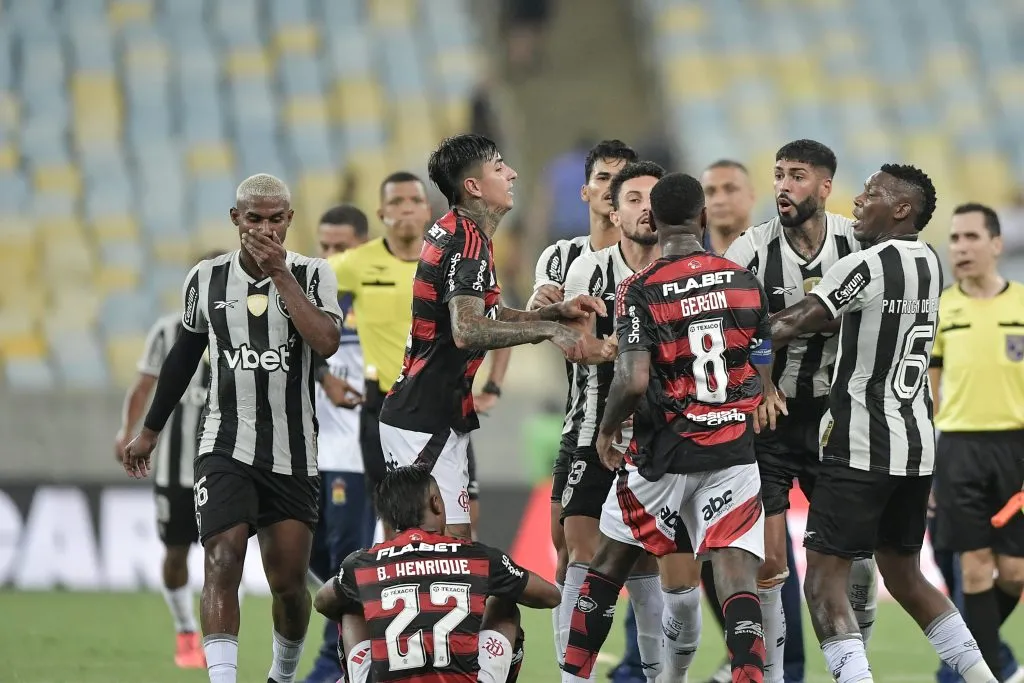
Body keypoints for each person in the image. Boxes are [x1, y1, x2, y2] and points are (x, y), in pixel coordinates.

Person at [768, 163, 999, 683]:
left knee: (824, 583)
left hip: (859, 444)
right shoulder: (930, 262)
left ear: (901, 209)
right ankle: (985, 678)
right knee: (905, 575)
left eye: (871, 194)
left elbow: (797, 321)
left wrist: (728, 335)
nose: (857, 202)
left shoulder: (869, 264)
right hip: (915, 448)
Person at [122, 174, 344, 683]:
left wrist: (280, 275)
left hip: (293, 451)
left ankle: (281, 677)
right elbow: (183, 355)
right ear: (235, 219)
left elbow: (326, 342)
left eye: (275, 218)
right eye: (253, 218)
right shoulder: (206, 278)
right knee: (222, 558)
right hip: (223, 442)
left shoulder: (312, 274)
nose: (264, 228)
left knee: (288, 581)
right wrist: (150, 430)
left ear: (289, 219)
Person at [561, 171, 782, 683]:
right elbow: (765, 345)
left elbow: (635, 379)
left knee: (608, 566)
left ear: (655, 221)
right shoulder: (742, 279)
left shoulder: (640, 288)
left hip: (662, 450)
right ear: (702, 217)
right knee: (735, 578)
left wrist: (606, 429)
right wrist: (762, 389)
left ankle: (574, 676)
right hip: (731, 449)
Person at [377, 133, 613, 542]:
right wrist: (550, 331)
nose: (513, 173)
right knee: (438, 548)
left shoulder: (463, 234)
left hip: (434, 413)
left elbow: (484, 314)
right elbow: (467, 330)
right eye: (500, 167)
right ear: (474, 186)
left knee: (450, 545)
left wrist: (550, 312)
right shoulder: (466, 243)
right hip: (423, 417)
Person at [722, 139, 872, 683]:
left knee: (854, 562)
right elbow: (731, 322)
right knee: (770, 562)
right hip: (772, 420)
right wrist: (761, 386)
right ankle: (779, 676)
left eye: (798, 176)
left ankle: (857, 666)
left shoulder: (858, 248)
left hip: (839, 421)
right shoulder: (753, 249)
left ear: (826, 187)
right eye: (779, 175)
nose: (784, 186)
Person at [526, 138, 638, 673]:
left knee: (634, 556)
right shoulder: (562, 255)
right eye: (603, 178)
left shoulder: (651, 255)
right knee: (568, 547)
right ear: (586, 190)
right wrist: (574, 341)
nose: (612, 188)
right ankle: (576, 669)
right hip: (581, 420)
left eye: (624, 180)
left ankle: (646, 664)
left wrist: (611, 349)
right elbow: (540, 314)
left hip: (645, 427)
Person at [557, 160, 669, 682]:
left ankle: (651, 674)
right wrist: (603, 348)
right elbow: (573, 345)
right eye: (633, 199)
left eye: (654, 198)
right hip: (590, 432)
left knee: (646, 563)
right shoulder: (588, 270)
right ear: (615, 211)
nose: (645, 208)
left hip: (658, 439)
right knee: (580, 548)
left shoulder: (682, 273)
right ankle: (570, 676)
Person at [312, 465, 561, 683]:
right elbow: (551, 596)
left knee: (350, 606)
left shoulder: (361, 564)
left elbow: (322, 601)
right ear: (436, 503)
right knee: (505, 600)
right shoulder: (480, 558)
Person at [114, 249, 225, 669]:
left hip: (227, 464)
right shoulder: (167, 331)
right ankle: (185, 630)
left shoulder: (255, 328)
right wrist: (127, 430)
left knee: (222, 554)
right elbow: (143, 386)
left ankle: (217, 641)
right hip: (175, 468)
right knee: (176, 552)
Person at [928, 203, 1024, 683]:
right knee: (974, 572)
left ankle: (963, 666)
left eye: (970, 237)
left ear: (996, 243)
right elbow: (930, 389)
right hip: (959, 449)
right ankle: (982, 675)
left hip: (1016, 450)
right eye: (954, 238)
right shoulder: (942, 308)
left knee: (1015, 574)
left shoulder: (1022, 304)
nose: (960, 248)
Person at [302, 205, 374, 683]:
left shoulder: (377, 298)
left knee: (346, 566)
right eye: (324, 246)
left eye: (341, 247)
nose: (329, 257)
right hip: (305, 457)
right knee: (315, 566)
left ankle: (334, 666)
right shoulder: (306, 299)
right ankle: (362, 652)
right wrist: (324, 374)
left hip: (354, 456)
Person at [700, 159, 757, 256]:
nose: (719, 200)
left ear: (751, 196)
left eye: (730, 189)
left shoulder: (777, 255)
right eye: (710, 191)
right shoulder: (686, 261)